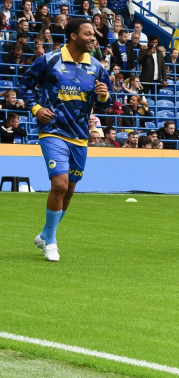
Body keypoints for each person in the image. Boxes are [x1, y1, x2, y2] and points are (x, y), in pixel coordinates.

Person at [18, 18, 111, 262]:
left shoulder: (98, 67)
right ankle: (51, 242)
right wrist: (36, 108)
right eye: (89, 34)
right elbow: (24, 86)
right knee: (59, 185)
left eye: (95, 35)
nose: (94, 38)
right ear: (73, 36)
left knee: (69, 190)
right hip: (52, 131)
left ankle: (45, 233)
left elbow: (105, 101)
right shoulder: (49, 60)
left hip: (80, 136)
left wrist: (103, 97)